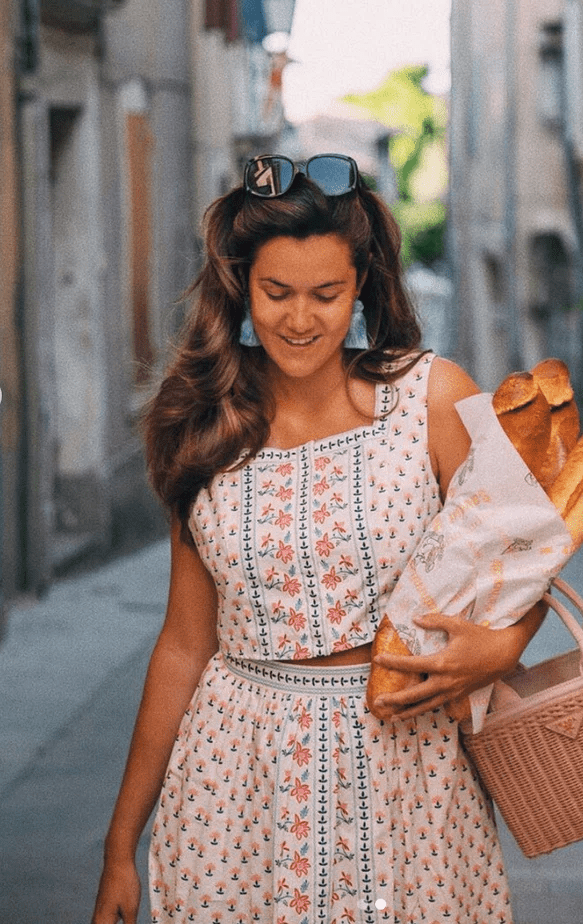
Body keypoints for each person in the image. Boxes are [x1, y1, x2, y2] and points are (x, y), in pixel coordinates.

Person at [91, 154, 547, 924]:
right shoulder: (201, 423)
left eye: (325, 295)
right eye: (276, 293)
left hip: (411, 769)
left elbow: (530, 564)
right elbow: (182, 643)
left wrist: (502, 649)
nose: (299, 319)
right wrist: (118, 850)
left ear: (362, 287)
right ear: (241, 286)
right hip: (234, 790)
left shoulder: (435, 397)